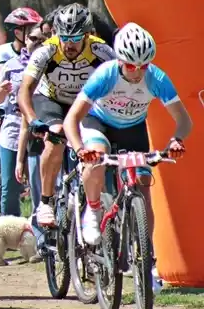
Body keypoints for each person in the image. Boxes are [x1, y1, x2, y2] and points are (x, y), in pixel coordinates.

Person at [64, 23, 191, 292]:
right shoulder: (105, 75)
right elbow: (71, 119)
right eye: (131, 65)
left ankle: (147, 259)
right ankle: (93, 210)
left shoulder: (156, 78)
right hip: (98, 123)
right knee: (96, 158)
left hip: (132, 129)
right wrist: (80, 148)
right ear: (120, 60)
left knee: (143, 187)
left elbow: (184, 120)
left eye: (144, 66)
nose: (137, 72)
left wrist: (176, 140)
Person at [18, 3, 115, 227]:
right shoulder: (46, 51)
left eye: (76, 38)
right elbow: (24, 91)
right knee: (56, 133)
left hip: (86, 104)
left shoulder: (102, 51)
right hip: (51, 99)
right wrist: (33, 120)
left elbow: (119, 82)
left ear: (87, 34)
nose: (69, 44)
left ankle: (94, 203)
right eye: (64, 37)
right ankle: (45, 202)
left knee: (97, 146)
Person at [0, 24, 46, 217]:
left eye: (42, 40)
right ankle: (9, 227)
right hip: (13, 129)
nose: (37, 43)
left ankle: (40, 226)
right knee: (9, 186)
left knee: (41, 185)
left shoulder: (52, 65)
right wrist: (1, 91)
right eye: (33, 38)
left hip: (42, 129)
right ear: (25, 39)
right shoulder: (11, 65)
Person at [0, 8, 44, 102]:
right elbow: (4, 71)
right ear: (17, 32)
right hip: (1, 107)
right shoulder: (0, 51)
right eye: (30, 29)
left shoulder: (39, 53)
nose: (34, 32)